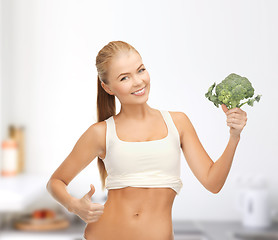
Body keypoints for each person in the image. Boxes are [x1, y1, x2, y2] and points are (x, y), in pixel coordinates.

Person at [46, 40, 247, 240]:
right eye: (124, 78)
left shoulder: (178, 123)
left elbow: (213, 183)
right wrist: (74, 206)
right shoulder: (101, 133)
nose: (138, 81)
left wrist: (234, 137)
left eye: (140, 70)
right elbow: (56, 181)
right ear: (107, 88)